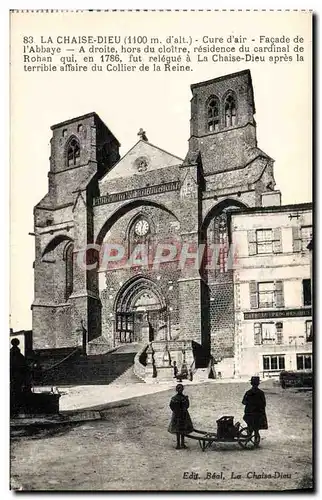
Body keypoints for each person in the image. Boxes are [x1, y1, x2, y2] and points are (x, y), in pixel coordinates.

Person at [242, 376, 268, 445]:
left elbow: (243, 402)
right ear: (258, 384)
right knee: (256, 428)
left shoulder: (248, 392)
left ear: (251, 383)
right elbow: (264, 404)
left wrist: (250, 404)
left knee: (250, 425)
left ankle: (249, 436)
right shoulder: (261, 393)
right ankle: (256, 439)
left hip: (249, 413)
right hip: (258, 414)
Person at [168, 384, 194, 449]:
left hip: (177, 415)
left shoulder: (174, 398)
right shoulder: (184, 398)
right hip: (183, 415)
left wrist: (175, 411)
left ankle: (179, 444)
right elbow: (187, 405)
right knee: (182, 430)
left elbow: (171, 406)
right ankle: (181, 444)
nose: (180, 390)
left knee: (179, 430)